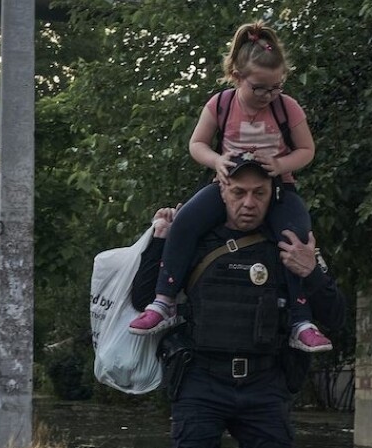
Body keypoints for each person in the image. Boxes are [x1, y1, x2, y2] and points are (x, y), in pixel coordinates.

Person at [132, 155, 347, 448]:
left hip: (265, 384)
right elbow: (142, 298)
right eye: (239, 192)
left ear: (272, 194)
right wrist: (159, 239)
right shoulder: (194, 238)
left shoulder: (289, 244)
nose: (249, 203)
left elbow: (335, 317)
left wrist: (311, 270)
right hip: (200, 381)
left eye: (259, 193)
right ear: (222, 191)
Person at [128, 20, 333, 354]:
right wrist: (217, 161)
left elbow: (307, 150)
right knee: (184, 222)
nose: (268, 96)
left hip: (277, 188)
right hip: (227, 184)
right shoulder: (221, 104)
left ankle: (301, 321)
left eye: (276, 87)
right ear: (237, 76)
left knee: (296, 237)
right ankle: (164, 301)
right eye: (260, 88)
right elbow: (197, 144)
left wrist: (280, 164)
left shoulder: (287, 107)